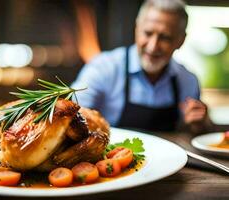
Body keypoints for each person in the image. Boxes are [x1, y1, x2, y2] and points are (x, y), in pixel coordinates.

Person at [72, 0, 213, 133]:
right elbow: (73, 114)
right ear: (136, 29)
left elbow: (194, 131)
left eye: (165, 38)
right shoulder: (103, 68)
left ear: (181, 40)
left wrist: (199, 123)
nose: (153, 46)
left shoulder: (188, 80)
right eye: (148, 33)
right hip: (114, 156)